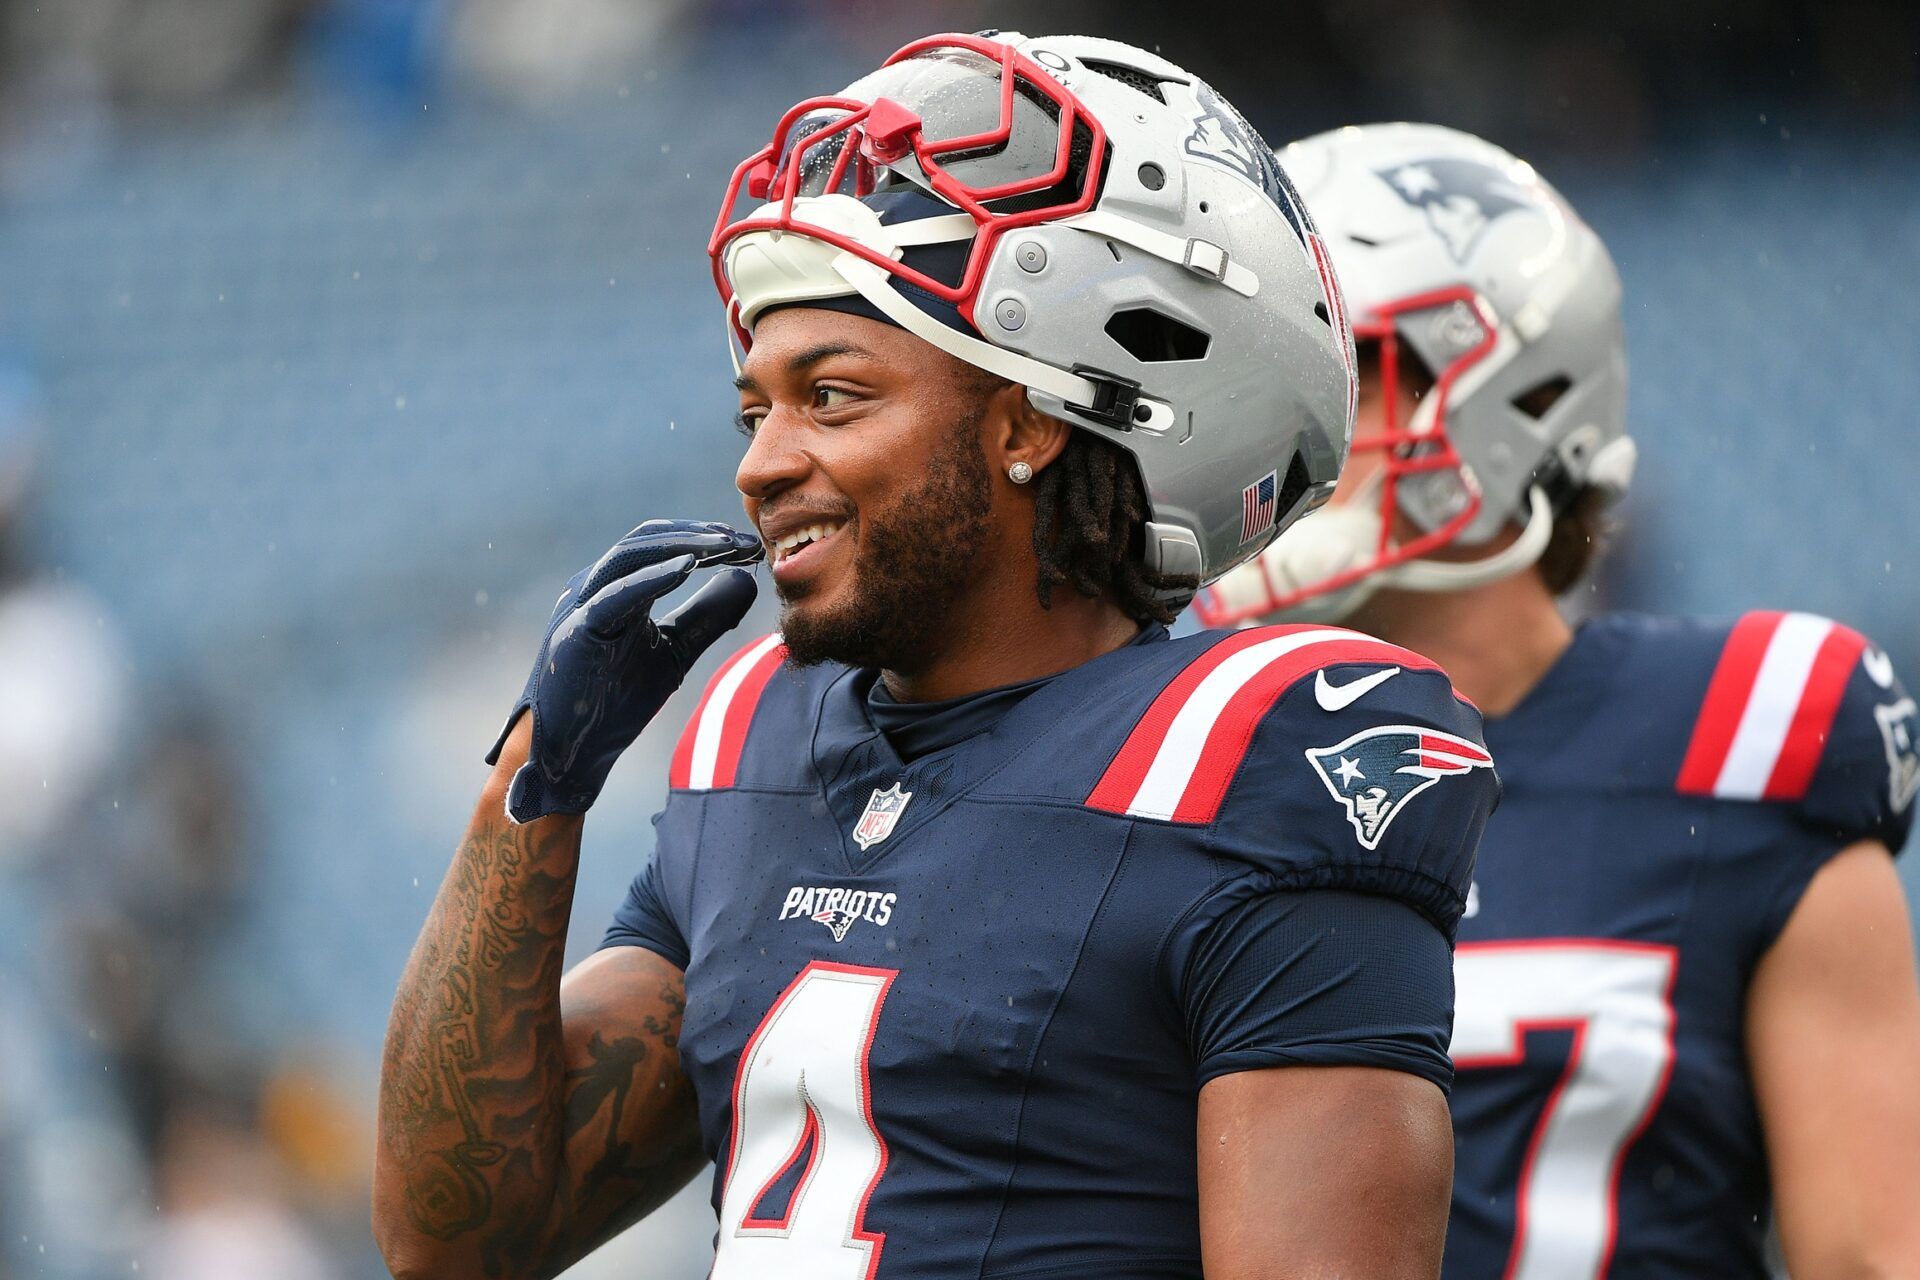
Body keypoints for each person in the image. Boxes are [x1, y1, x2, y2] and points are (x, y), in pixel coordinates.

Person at [374, 35, 1499, 1280]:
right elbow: (460, 1238)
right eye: (757, 409)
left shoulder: (1251, 756)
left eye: (834, 397)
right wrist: (535, 784)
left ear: (1025, 418)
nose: (761, 461)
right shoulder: (760, 735)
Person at [1199, 122, 1920, 1278]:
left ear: (1515, 392)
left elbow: (1870, 1256)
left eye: (1343, 378)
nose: (1290, 434)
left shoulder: (1745, 734)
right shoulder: (1178, 750)